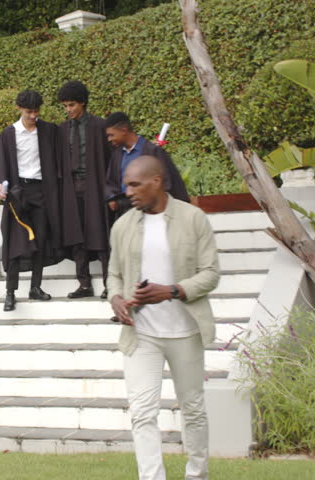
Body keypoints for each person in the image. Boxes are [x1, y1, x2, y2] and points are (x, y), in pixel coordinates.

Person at [107, 155, 219, 480]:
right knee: (142, 412)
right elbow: (113, 274)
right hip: (141, 334)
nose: (128, 191)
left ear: (156, 181)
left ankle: (197, 474)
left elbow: (210, 273)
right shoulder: (123, 225)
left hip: (185, 331)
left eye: (135, 184)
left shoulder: (193, 218)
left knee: (193, 410)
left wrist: (171, 291)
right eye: (126, 184)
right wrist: (116, 298)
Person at [0, 90, 63, 311]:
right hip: (18, 194)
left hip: (42, 191)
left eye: (37, 111)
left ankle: (35, 288)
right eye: (29, 112)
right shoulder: (9, 134)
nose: (34, 115)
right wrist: (0, 185)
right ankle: (10, 293)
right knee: (16, 244)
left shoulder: (48, 131)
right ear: (19, 109)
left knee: (40, 240)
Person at [56, 81, 111, 299]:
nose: (68, 110)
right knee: (77, 237)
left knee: (102, 235)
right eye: (65, 106)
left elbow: (111, 158)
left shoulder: (100, 126)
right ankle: (84, 284)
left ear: (83, 103)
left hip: (96, 187)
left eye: (72, 105)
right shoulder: (62, 130)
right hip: (72, 188)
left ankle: (111, 285)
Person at [104, 112, 189, 224]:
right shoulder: (117, 156)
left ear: (124, 130)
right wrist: (112, 199)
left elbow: (168, 184)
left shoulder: (153, 152)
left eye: (111, 135)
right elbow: (111, 182)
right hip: (126, 214)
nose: (109, 139)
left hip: (153, 214)